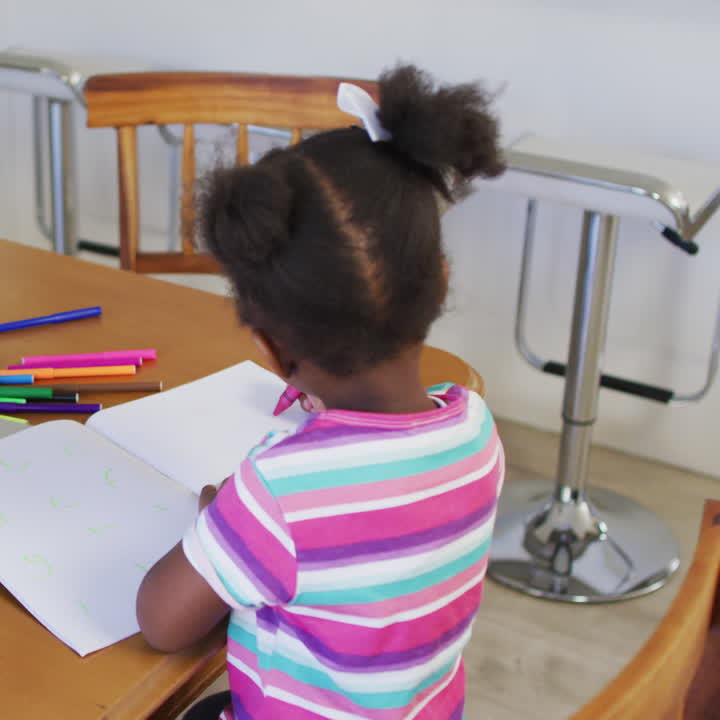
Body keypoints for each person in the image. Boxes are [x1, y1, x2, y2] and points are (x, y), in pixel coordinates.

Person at [136, 65, 508, 720]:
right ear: (440, 281)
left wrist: (220, 525)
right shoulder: (477, 428)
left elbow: (161, 623)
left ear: (271, 348)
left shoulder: (278, 495)